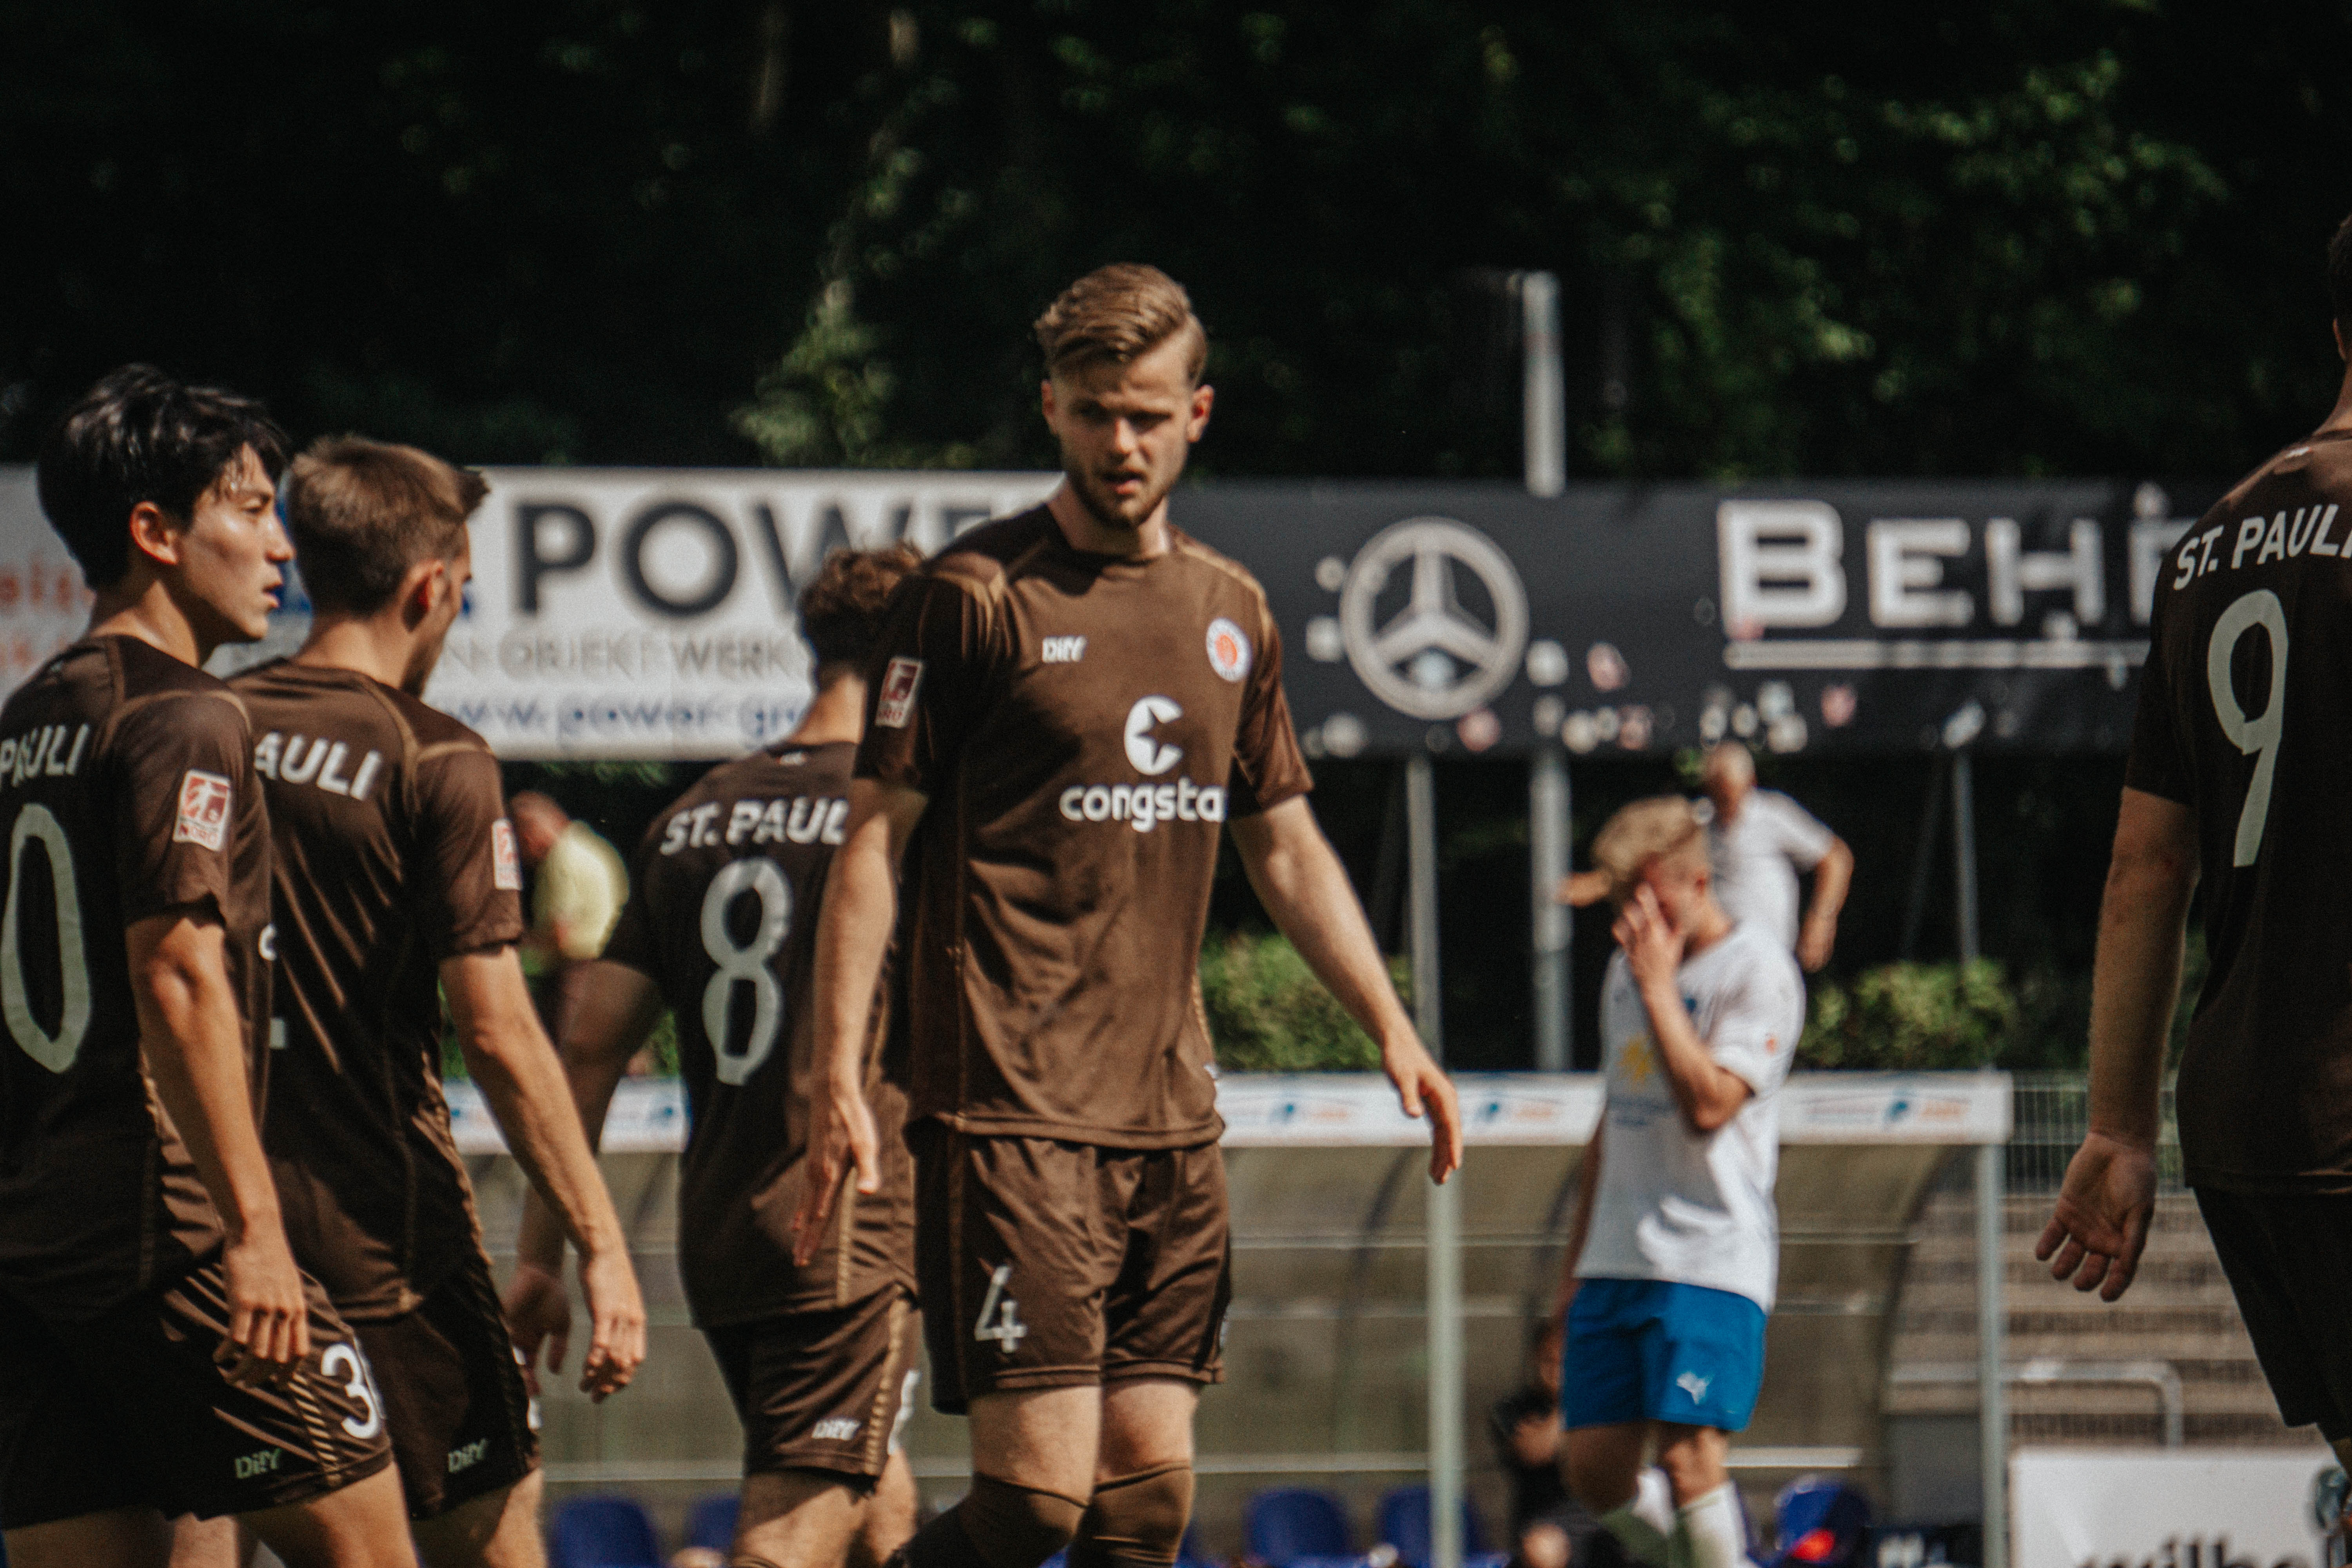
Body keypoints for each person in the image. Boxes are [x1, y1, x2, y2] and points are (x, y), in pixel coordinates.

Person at [796, 263, 1462, 1568]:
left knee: (1149, 1504)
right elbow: (874, 839)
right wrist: (831, 1071)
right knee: (1036, 1502)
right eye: (1096, 411)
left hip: (1168, 1114)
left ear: (1197, 413)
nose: (1121, 442)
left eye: (1147, 414)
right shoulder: (974, 597)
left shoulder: (1232, 611)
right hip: (1012, 1109)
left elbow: (1280, 841)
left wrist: (1393, 1024)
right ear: (1050, 408)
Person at [0, 367, 414, 1567]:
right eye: (247, 508)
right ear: (156, 533)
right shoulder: (186, 715)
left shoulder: (26, 718)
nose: (280, 545)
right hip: (158, 1226)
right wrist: (253, 1225)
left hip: (30, 1236)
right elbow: (176, 973)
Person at [224, 436, 647, 1568]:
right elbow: (502, 1036)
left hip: (206, 1219)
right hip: (383, 1235)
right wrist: (599, 1248)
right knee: (498, 1526)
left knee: (214, 1519)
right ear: (432, 587)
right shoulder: (437, 757)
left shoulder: (199, 726)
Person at [506, 543, 926, 1568]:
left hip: (724, 1234)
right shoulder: (900, 818)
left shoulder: (689, 819)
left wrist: (540, 1256)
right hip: (845, 1230)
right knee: (791, 1540)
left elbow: (588, 1049)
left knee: (882, 1507)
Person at [2037, 213, 2352, 1526]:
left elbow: (2144, 869)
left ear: (2338, 330)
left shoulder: (2214, 543)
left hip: (2252, 1125)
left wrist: (2117, 1125)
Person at [1554, 797, 1803, 1568]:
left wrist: (1662, 988)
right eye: (1624, 898)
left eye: (1650, 898)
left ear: (1700, 881)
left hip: (1709, 1253)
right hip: (1616, 1257)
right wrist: (1574, 1262)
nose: (1635, 918)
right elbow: (1611, 1120)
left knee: (1690, 1456)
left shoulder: (1758, 967)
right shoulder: (1621, 972)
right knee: (1593, 1470)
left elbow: (1708, 1106)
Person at [1557, 745, 1849, 974]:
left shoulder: (1774, 815)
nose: (1725, 809)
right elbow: (1651, 858)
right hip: (1716, 957)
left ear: (1750, 782)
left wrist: (1822, 919)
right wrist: (1600, 883)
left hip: (1771, 954)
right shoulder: (1699, 821)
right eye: (1718, 796)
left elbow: (1835, 858)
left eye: (1731, 797)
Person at [1488, 1320, 1624, 1568]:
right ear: (1535, 1360)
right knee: (1543, 1550)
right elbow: (1535, 1450)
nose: (1558, 1370)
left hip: (1606, 1515)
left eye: (1567, 1361)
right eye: (1551, 1361)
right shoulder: (1512, 1410)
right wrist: (1573, 1399)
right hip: (1547, 1523)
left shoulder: (1604, 1403)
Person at [509, 791, 630, 1044]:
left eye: (520, 838)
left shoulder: (561, 858)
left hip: (577, 974)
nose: (523, 849)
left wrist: (518, 951)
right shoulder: (593, 846)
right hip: (615, 968)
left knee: (565, 1059)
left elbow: (559, 935)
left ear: (531, 829)